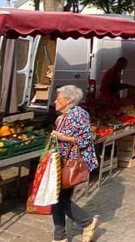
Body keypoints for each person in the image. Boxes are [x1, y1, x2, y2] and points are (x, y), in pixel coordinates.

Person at [51, 85, 100, 242]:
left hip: (71, 162)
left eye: (58, 99)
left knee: (59, 198)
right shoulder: (64, 115)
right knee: (57, 197)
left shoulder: (79, 114)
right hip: (62, 161)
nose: (55, 102)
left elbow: (86, 139)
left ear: (69, 100)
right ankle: (59, 236)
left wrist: (62, 137)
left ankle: (87, 222)